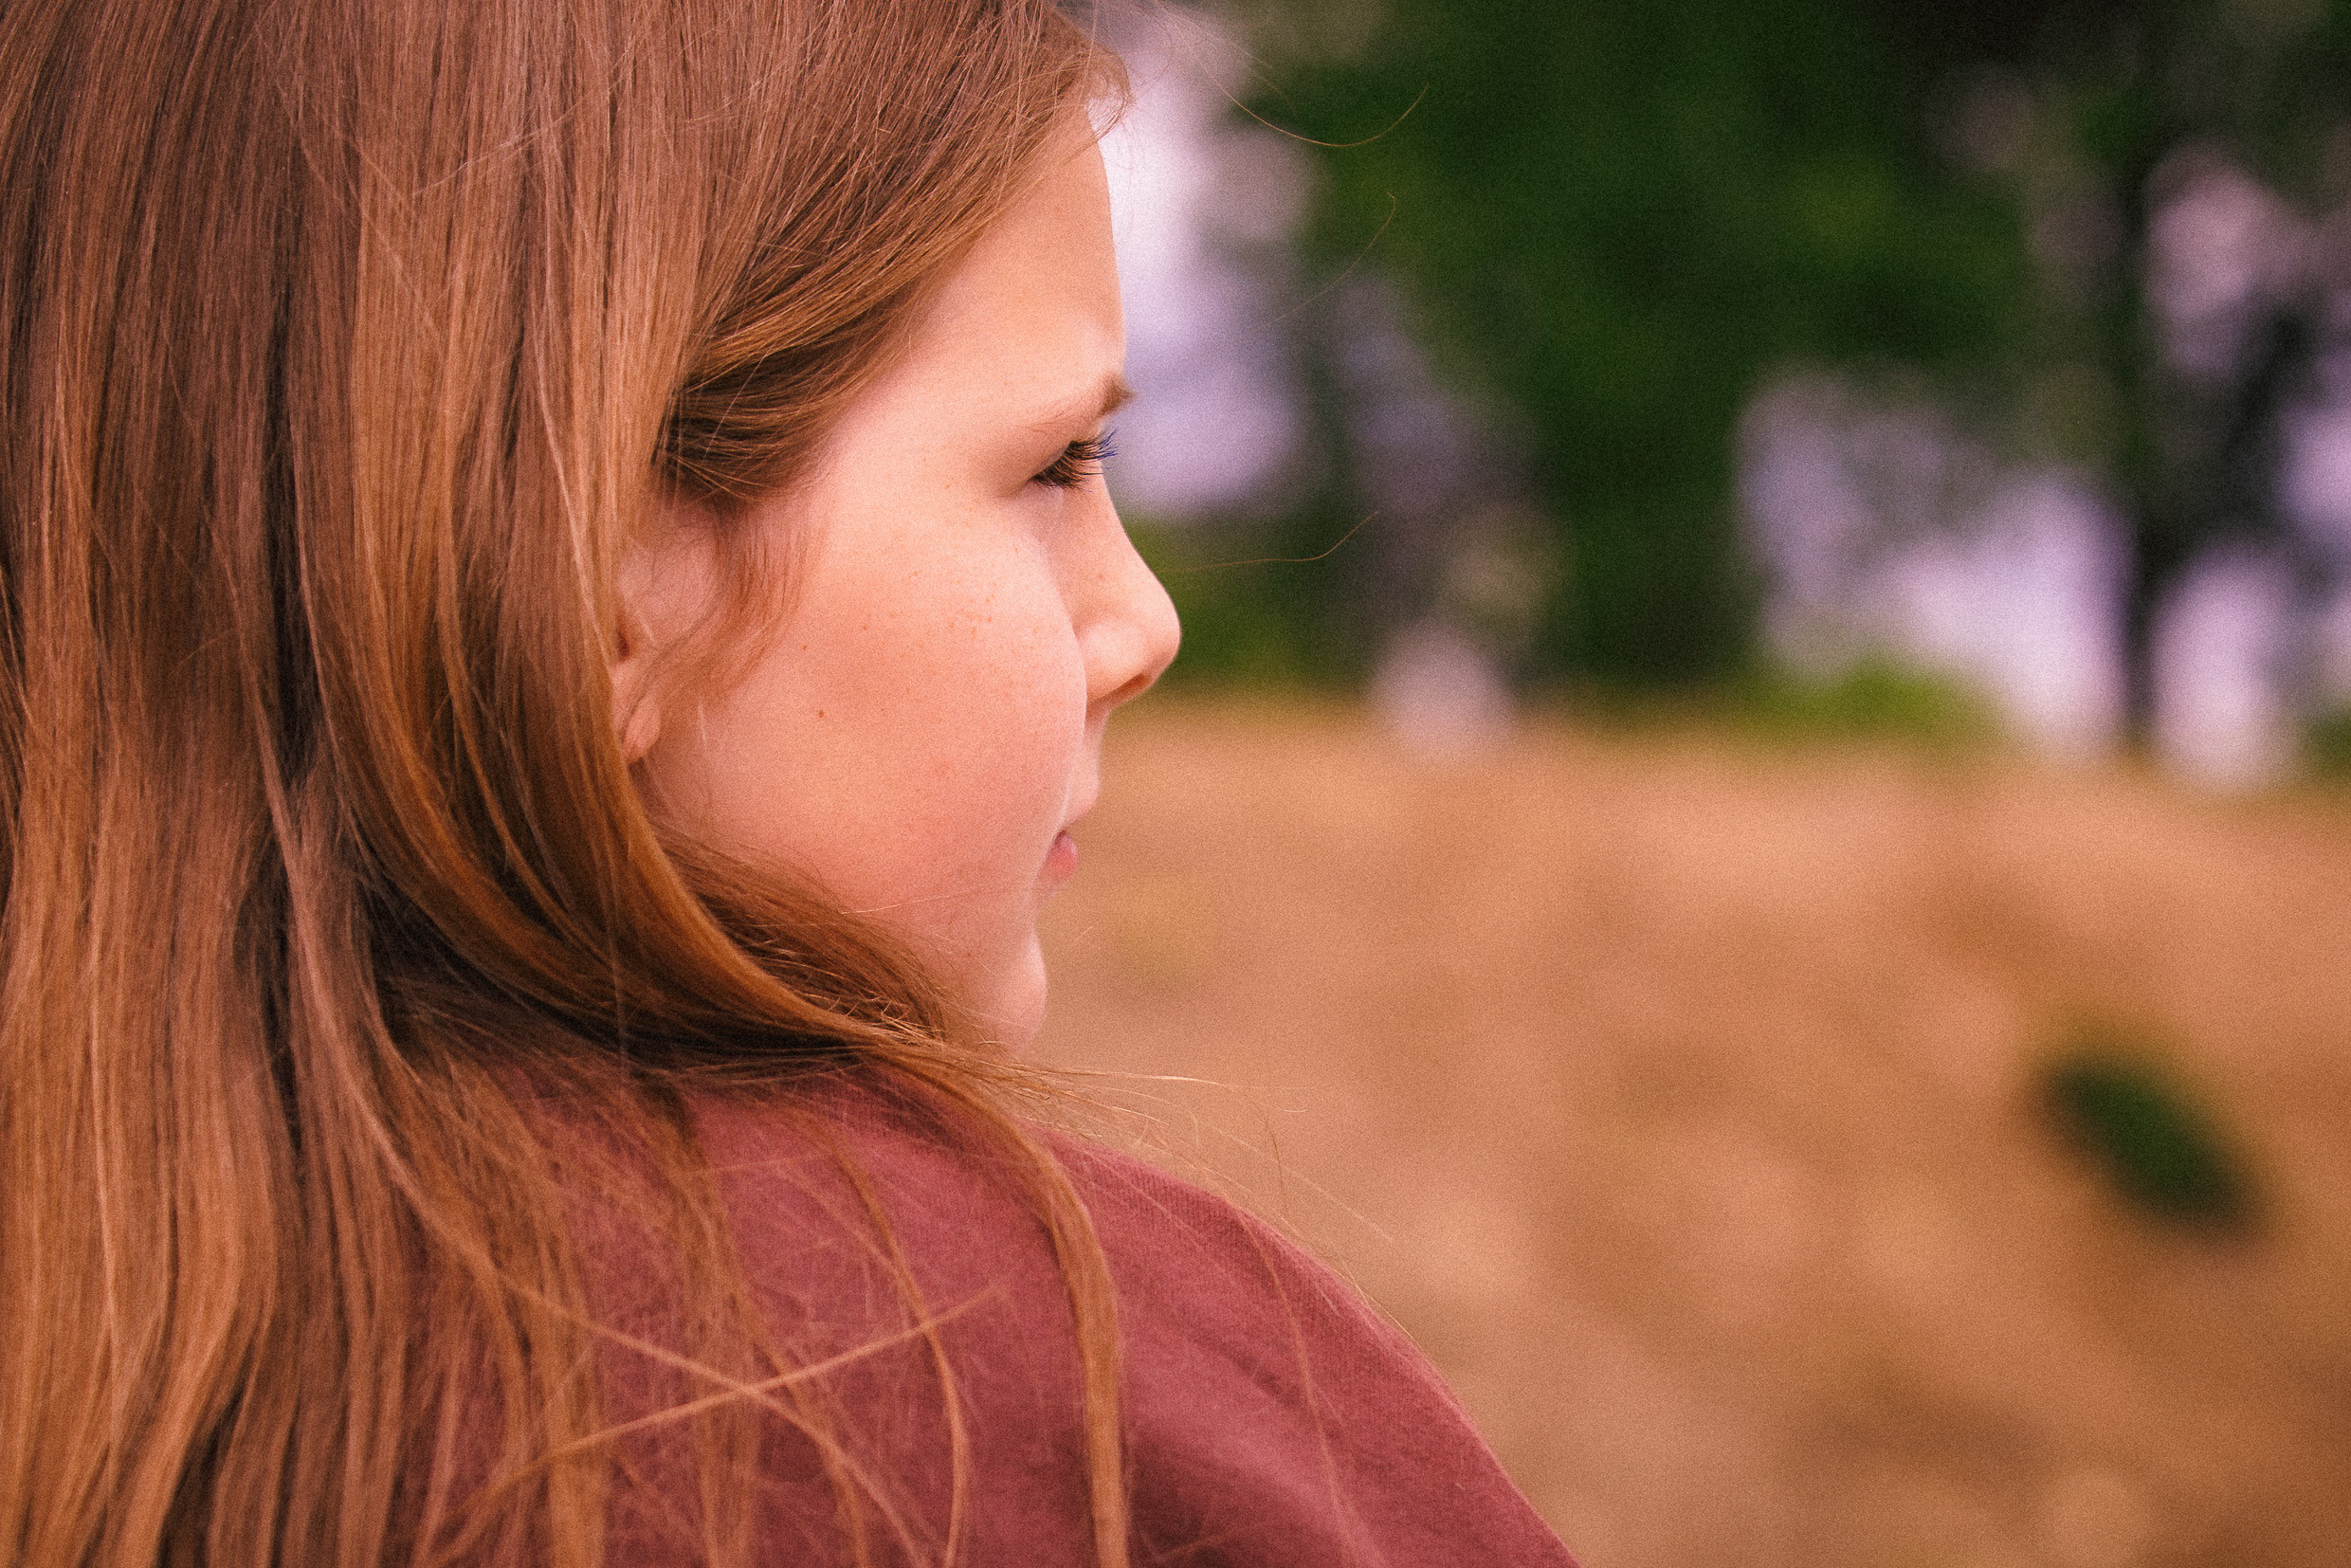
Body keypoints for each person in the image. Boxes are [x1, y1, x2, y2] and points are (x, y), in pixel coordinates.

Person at [0, 1, 1579, 1564]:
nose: (1143, 624)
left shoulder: (105, 1339)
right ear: (605, 585)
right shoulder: (1072, 1408)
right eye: (1052, 466)